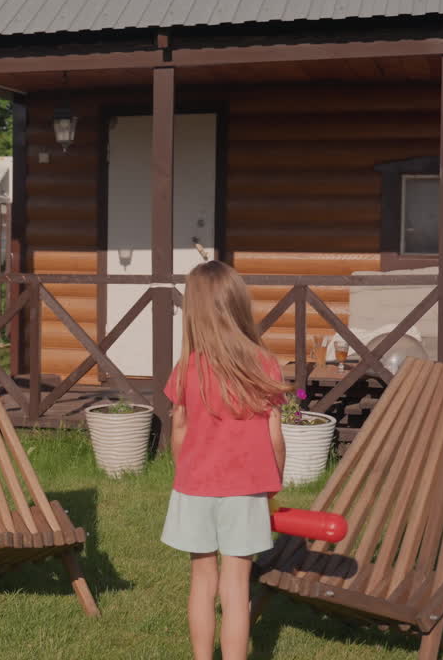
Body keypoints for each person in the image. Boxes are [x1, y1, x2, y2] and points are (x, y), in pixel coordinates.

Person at [161, 260, 287, 660]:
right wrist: (273, 484)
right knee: (236, 587)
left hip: (195, 487)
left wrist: (184, 473)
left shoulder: (186, 368)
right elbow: (275, 435)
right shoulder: (264, 365)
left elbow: (179, 430)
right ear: (238, 305)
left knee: (202, 580)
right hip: (246, 490)